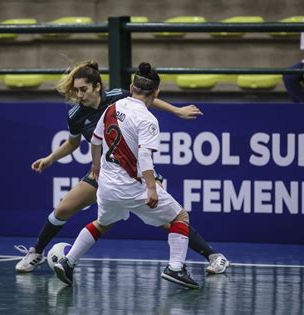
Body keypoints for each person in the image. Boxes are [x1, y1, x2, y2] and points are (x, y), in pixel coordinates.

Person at [14, 61, 230, 275]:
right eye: (76, 90)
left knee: (169, 222)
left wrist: (177, 111)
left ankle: (213, 255)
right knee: (63, 210)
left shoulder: (117, 98)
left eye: (83, 90)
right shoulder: (75, 115)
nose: (79, 95)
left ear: (97, 87)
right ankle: (36, 252)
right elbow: (73, 143)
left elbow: (148, 100)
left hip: (134, 174)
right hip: (104, 174)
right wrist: (50, 159)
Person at [54, 62, 198, 289]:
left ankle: (69, 261)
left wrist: (96, 167)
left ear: (132, 88)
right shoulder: (148, 119)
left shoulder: (113, 106)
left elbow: (95, 140)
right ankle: (176, 268)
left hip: (107, 186)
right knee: (180, 218)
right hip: (132, 185)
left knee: (102, 223)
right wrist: (152, 188)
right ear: (156, 93)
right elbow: (144, 157)